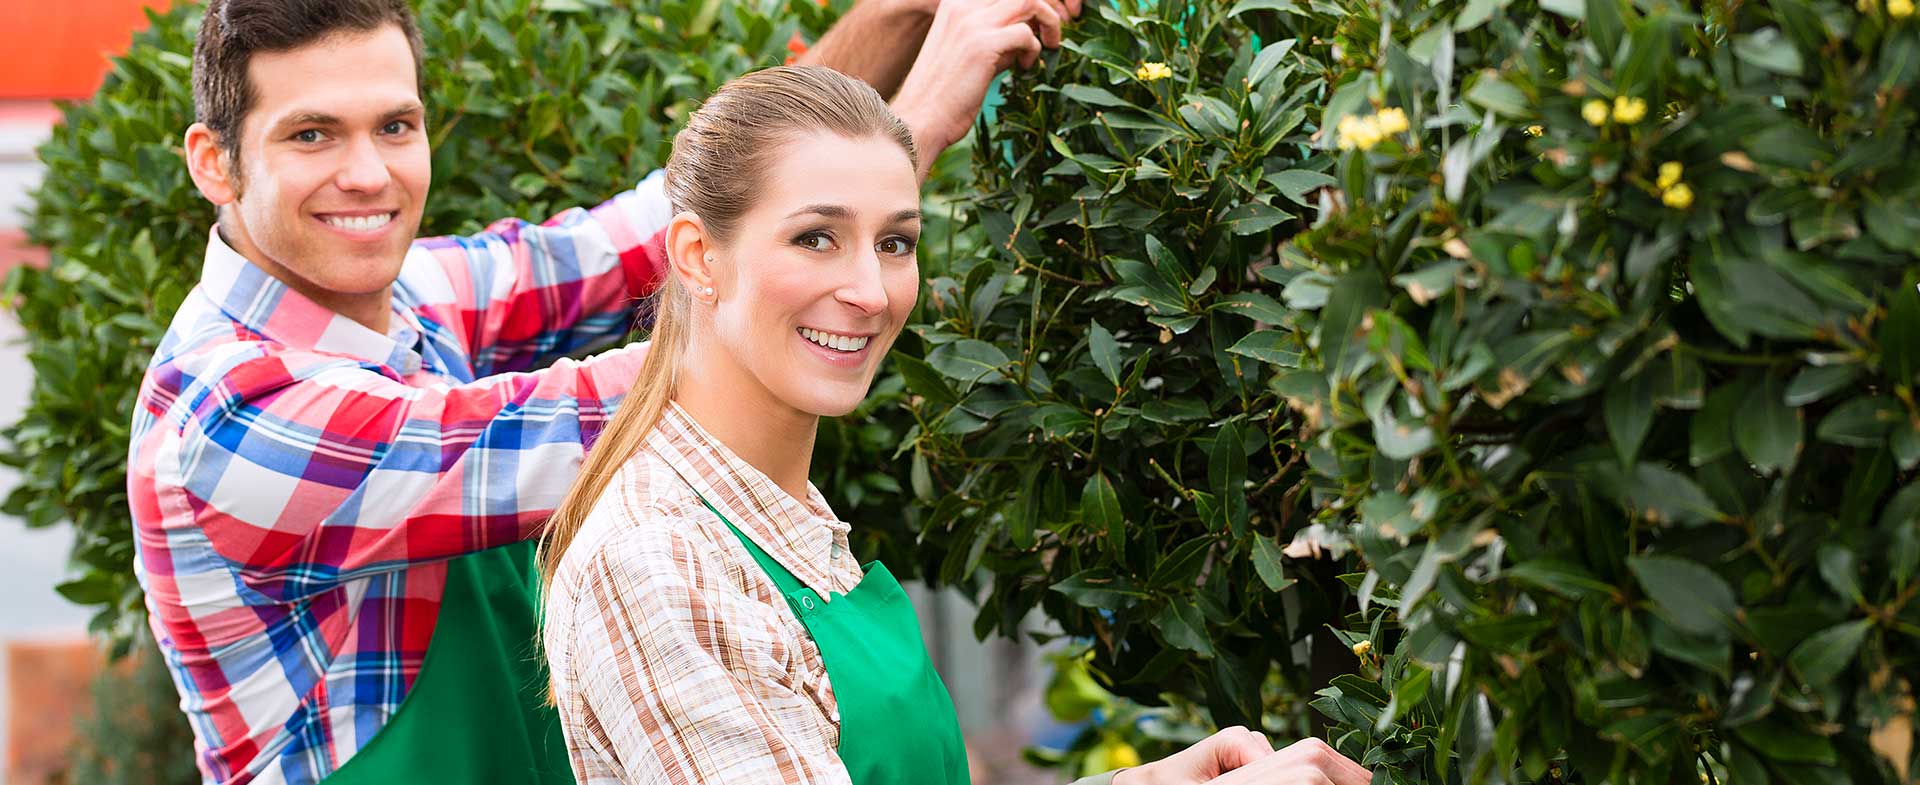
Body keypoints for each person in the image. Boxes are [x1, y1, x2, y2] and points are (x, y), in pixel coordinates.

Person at [128, 0, 1080, 782]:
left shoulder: (407, 293)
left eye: (395, 125)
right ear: (214, 161)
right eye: (311, 135)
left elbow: (680, 213)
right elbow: (660, 385)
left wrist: (898, 16)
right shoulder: (229, 416)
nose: (368, 172)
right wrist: (903, 147)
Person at [538, 65, 1377, 785]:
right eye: (817, 237)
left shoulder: (776, 515)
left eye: (896, 242)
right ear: (696, 257)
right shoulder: (658, 559)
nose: (870, 290)